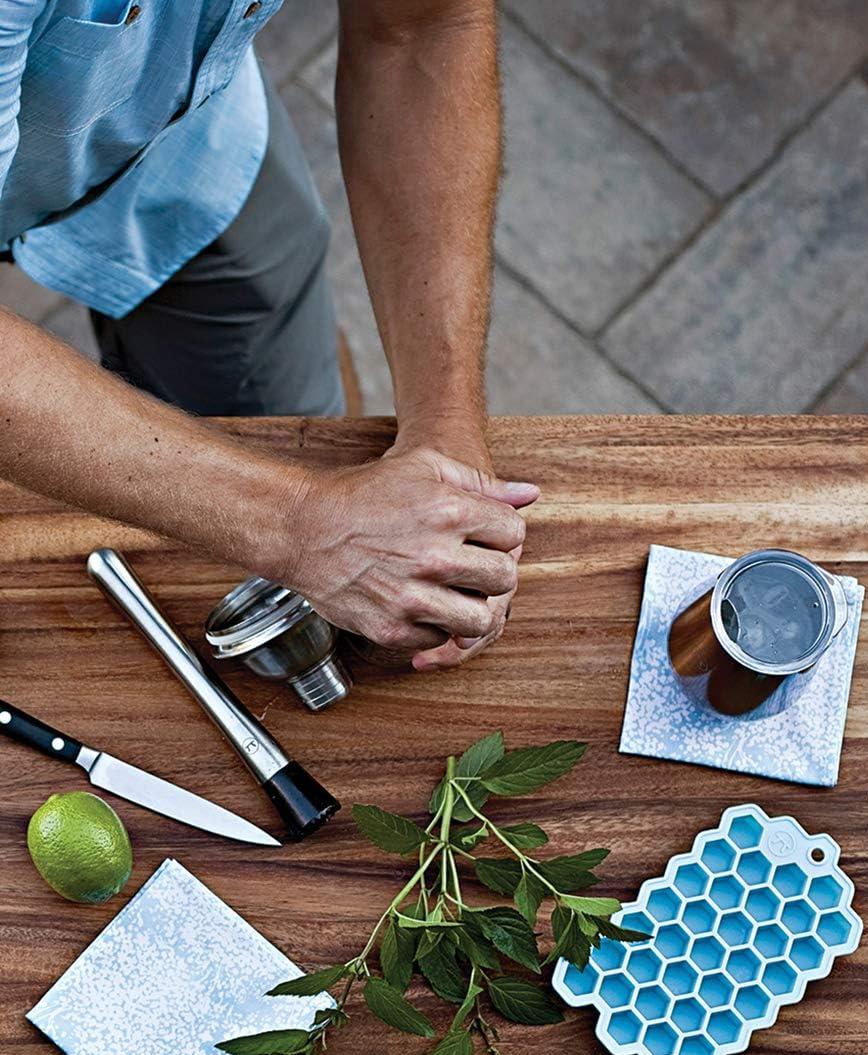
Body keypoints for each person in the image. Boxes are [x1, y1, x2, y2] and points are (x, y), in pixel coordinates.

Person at [0, 0, 537, 671]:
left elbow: (420, 29)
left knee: (305, 426)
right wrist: (302, 523)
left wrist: (445, 432)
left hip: (177, 142)